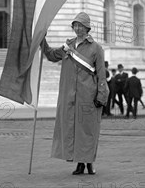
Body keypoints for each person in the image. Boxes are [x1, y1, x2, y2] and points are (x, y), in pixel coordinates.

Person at [40, 12, 108, 176]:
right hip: (69, 96)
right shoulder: (67, 46)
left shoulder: (96, 48)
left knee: (87, 130)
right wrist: (41, 40)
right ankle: (79, 164)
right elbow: (50, 55)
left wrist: (101, 96)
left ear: (87, 28)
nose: (78, 28)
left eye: (81, 25)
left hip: (88, 96)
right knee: (73, 128)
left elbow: (101, 73)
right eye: (75, 25)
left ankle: (89, 162)